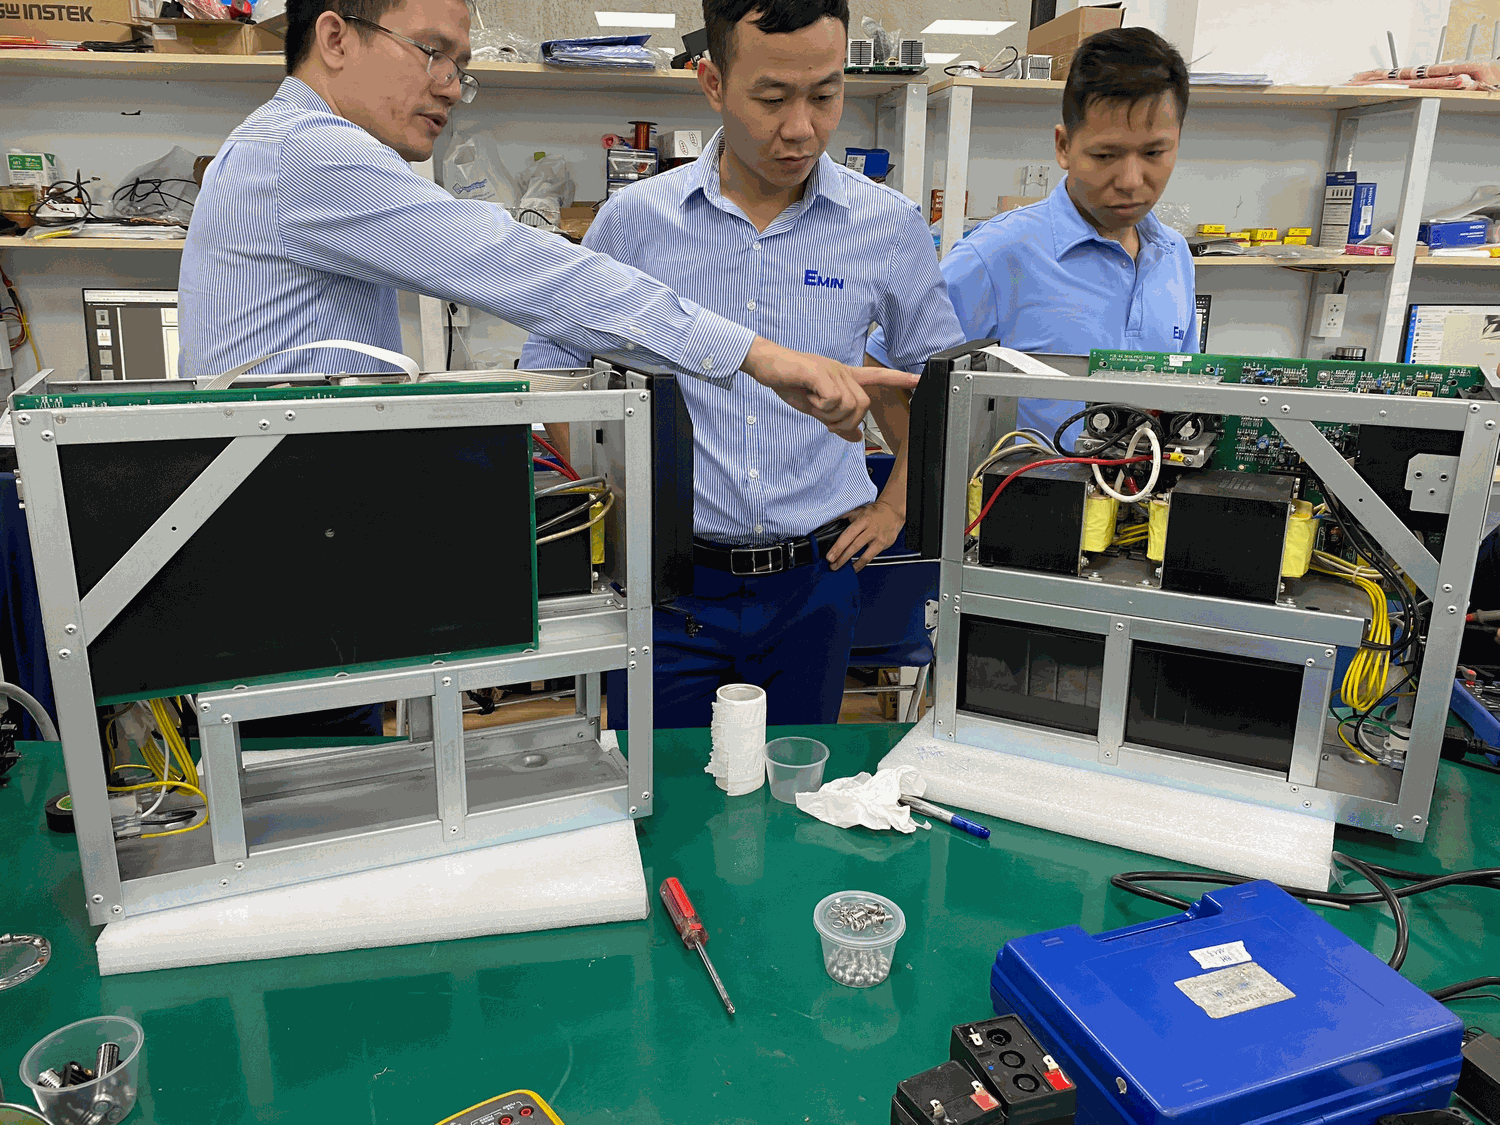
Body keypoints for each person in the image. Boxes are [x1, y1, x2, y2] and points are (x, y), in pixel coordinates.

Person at [176, 0, 918, 736]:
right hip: (283, 597)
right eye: (431, 52)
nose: (449, 85)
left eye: (460, 66)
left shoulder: (288, 153)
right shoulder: (304, 155)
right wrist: (758, 356)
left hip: (306, 587)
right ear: (336, 38)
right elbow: (525, 269)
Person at [521, 0, 963, 729]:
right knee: (659, 787)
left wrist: (895, 506)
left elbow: (944, 388)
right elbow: (553, 368)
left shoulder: (887, 225)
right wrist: (618, 502)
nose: (802, 128)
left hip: (815, 584)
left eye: (825, 95)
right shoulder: (636, 221)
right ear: (712, 82)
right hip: (667, 590)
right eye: (772, 98)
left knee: (796, 784)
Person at [868, 26, 1197, 448]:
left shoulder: (1174, 256)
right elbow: (880, 366)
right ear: (1063, 146)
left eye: (1153, 153)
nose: (1131, 180)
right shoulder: (997, 256)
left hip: (1144, 487)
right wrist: (924, 478)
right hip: (1021, 490)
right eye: (1105, 155)